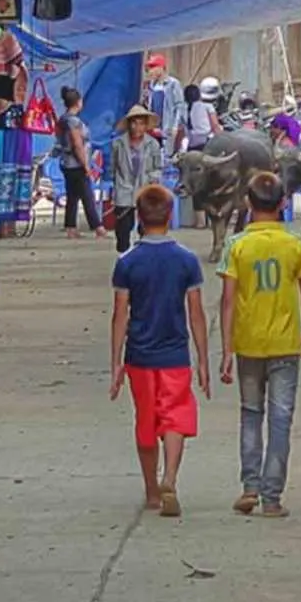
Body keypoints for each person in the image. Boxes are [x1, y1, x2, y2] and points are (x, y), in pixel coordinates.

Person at [109, 183, 211, 517]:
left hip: (140, 356)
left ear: (138, 217)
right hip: (175, 355)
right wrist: (203, 360)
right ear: (170, 215)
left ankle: (152, 490)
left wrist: (116, 365)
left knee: (146, 421)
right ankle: (170, 477)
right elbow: (195, 313)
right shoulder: (185, 260)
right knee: (175, 416)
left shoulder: (127, 262)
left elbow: (120, 315)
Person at [217, 172, 301, 518]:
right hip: (286, 344)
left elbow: (228, 300)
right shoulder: (294, 245)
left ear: (247, 203)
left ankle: (250, 486)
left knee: (250, 413)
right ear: (283, 205)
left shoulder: (236, 245)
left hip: (248, 344)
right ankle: (272, 497)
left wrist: (226, 348)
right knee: (280, 418)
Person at [110, 104, 166, 254]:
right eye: (134, 122)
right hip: (124, 189)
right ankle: (124, 257)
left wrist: (153, 178)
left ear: (146, 125)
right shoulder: (118, 144)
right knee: (123, 229)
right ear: (129, 124)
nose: (137, 127)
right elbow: (113, 168)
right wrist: (114, 189)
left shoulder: (152, 144)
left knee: (146, 228)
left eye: (141, 123)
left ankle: (144, 256)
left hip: (145, 189)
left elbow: (158, 167)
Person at [54, 85, 105, 240]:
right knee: (87, 195)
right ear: (79, 102)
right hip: (76, 164)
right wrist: (85, 164)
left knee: (73, 195)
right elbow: (77, 144)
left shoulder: (62, 119)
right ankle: (98, 227)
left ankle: (71, 227)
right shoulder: (73, 122)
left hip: (66, 162)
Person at [145, 54, 185, 159]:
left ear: (161, 68)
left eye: (153, 67)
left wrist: (175, 125)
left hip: (168, 126)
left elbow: (179, 105)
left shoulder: (173, 84)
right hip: (155, 126)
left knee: (168, 154)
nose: (151, 71)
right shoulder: (152, 85)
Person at [181, 81, 222, 153]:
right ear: (199, 95)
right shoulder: (207, 106)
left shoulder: (182, 109)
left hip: (191, 145)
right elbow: (215, 126)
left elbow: (181, 130)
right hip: (206, 143)